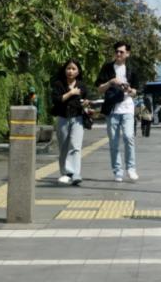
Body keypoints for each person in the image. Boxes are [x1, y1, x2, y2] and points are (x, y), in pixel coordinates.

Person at [95, 41, 139, 182]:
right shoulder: (107, 68)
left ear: (127, 53)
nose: (118, 54)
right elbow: (99, 89)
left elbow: (135, 92)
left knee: (128, 137)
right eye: (116, 51)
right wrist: (111, 82)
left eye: (121, 52)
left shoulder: (131, 69)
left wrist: (129, 89)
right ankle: (118, 171)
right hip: (112, 109)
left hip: (127, 108)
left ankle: (131, 168)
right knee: (114, 142)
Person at [51, 59, 89, 186]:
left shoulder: (82, 85)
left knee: (75, 146)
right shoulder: (58, 84)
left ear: (78, 72)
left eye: (73, 69)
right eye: (68, 68)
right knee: (64, 147)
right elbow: (56, 100)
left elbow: (86, 99)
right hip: (62, 118)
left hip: (77, 118)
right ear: (64, 70)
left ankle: (74, 173)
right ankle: (64, 173)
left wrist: (86, 103)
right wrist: (71, 92)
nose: (70, 71)